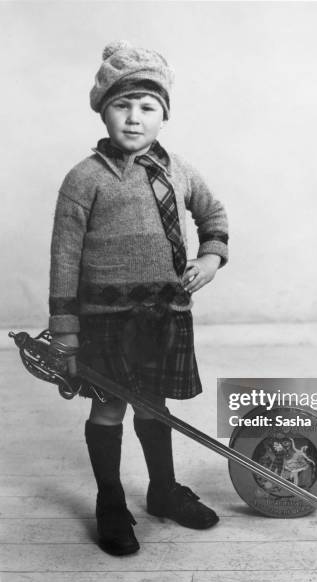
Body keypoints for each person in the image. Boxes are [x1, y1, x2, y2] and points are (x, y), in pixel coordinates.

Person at [48, 41, 229, 556]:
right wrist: (66, 330)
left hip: (163, 315)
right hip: (106, 320)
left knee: (155, 408)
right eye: (122, 105)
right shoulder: (85, 180)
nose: (133, 118)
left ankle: (163, 491)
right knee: (109, 409)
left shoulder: (179, 169)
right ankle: (110, 502)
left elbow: (213, 216)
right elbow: (63, 257)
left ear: (163, 116)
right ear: (103, 109)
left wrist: (210, 258)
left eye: (147, 107)